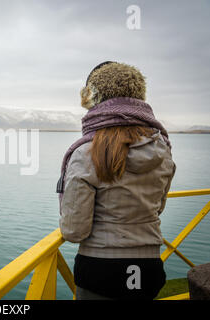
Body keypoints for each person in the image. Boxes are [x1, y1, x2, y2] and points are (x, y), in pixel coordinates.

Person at [56, 61, 176, 300]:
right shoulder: (163, 150)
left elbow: (74, 230)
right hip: (149, 266)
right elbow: (158, 208)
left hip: (100, 270)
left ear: (94, 99)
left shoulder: (86, 153)